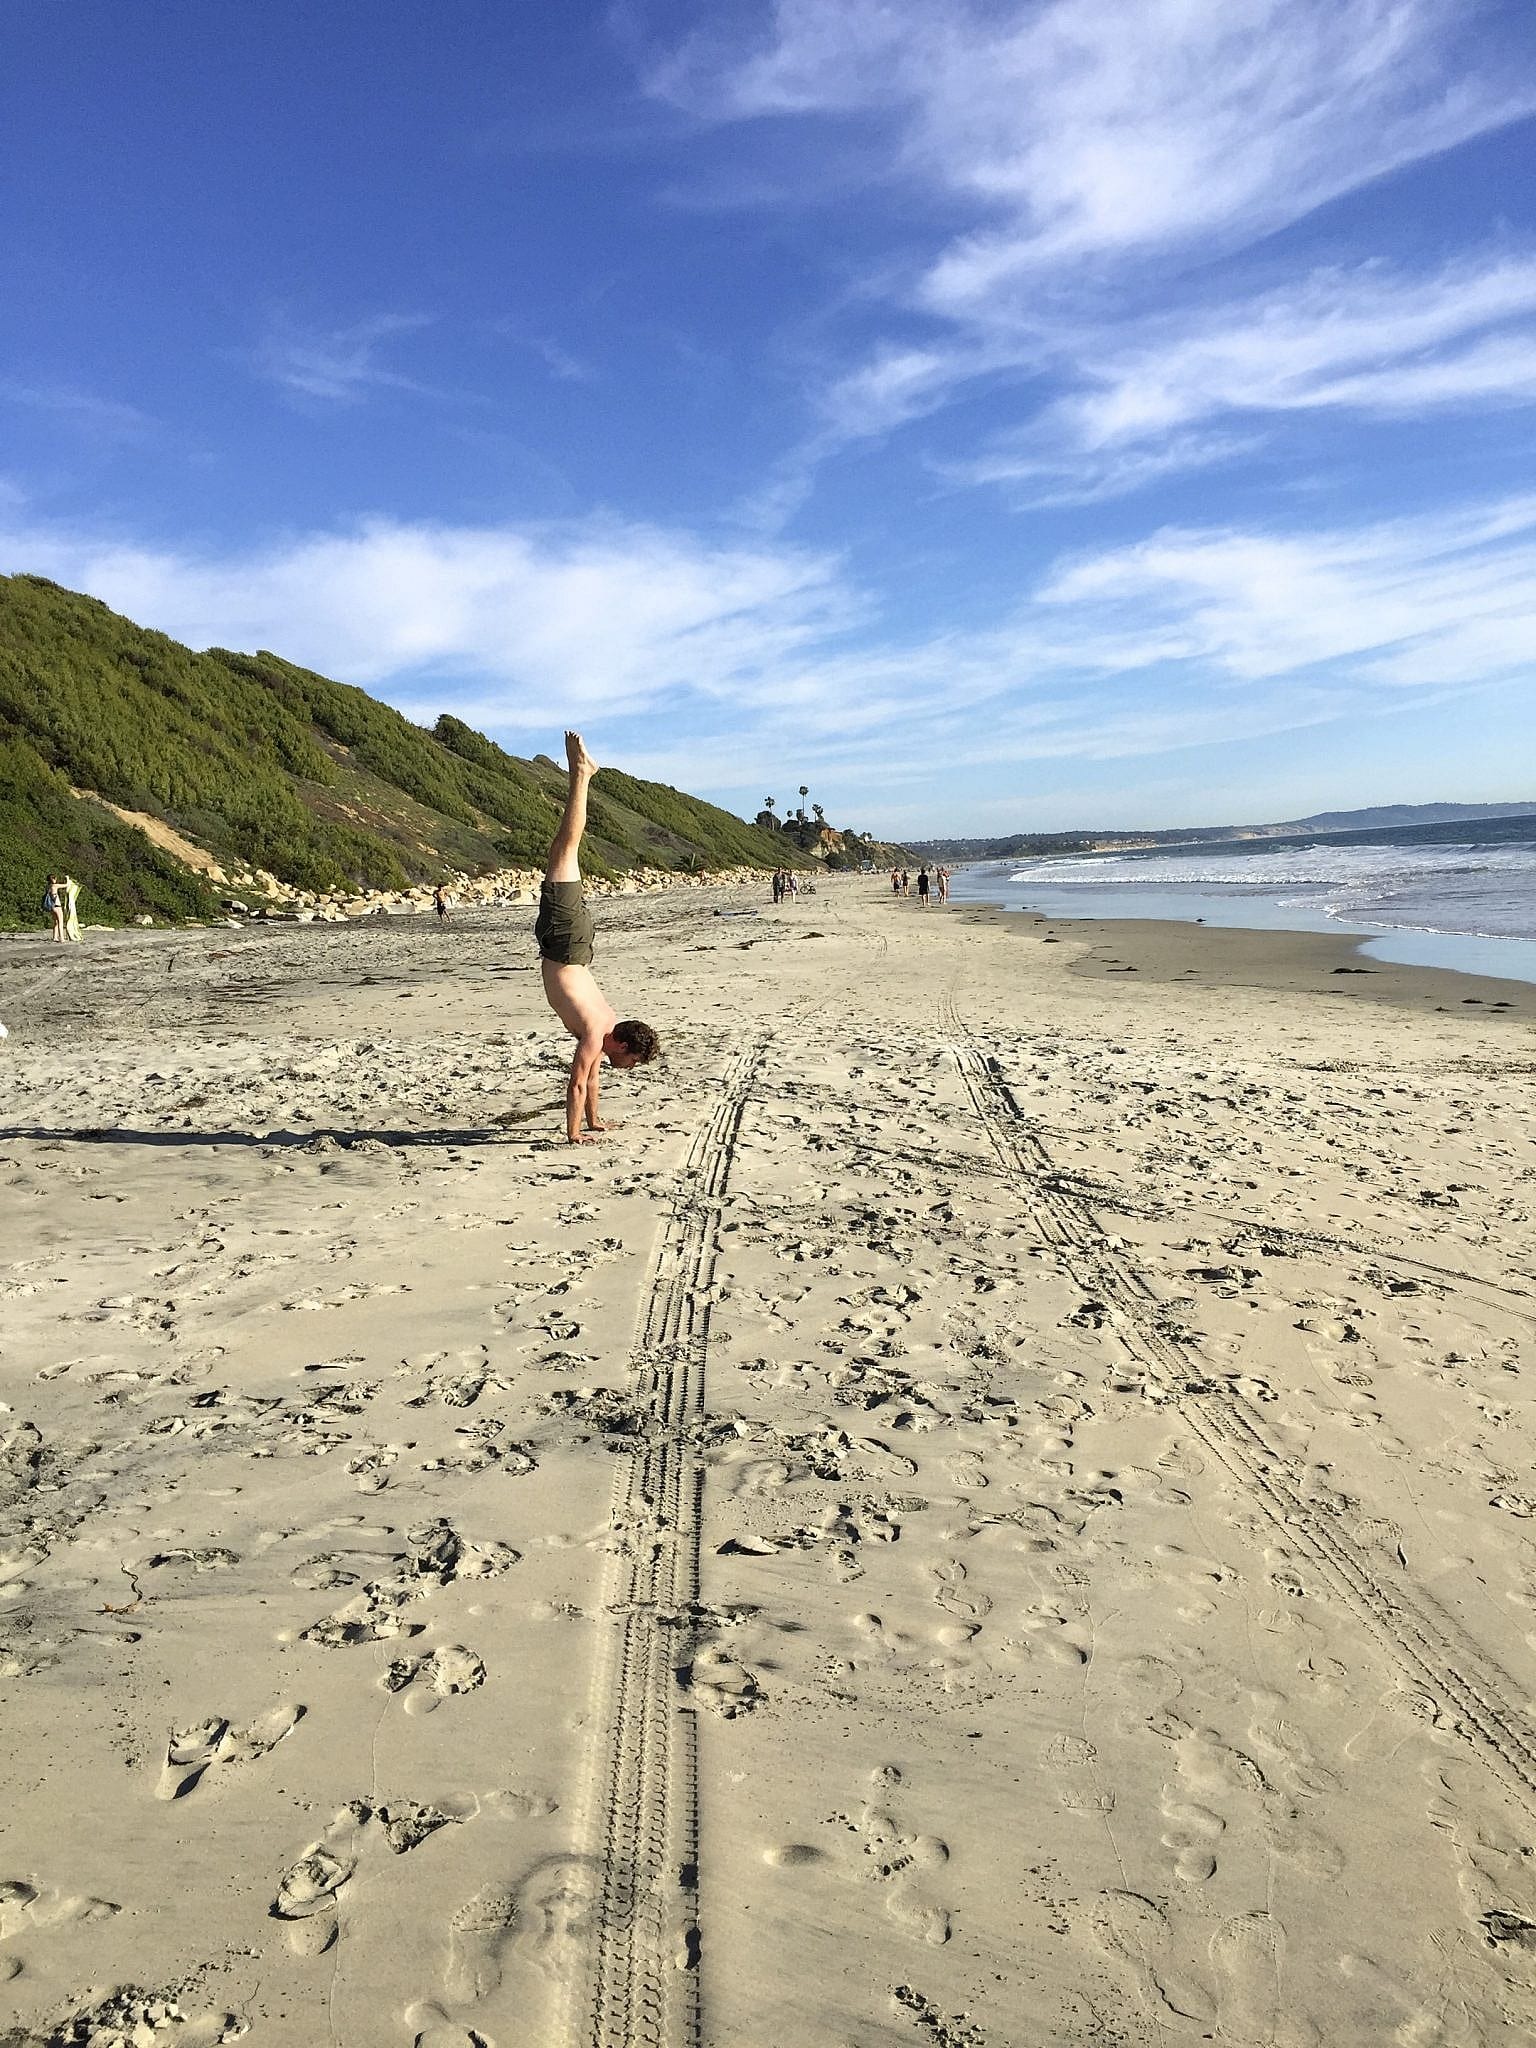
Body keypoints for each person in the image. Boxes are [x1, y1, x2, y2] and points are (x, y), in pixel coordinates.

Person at [536, 732, 660, 1144]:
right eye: (633, 1060)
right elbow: (574, 1084)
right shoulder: (595, 1029)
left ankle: (582, 775)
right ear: (621, 1043)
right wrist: (573, 1137)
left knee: (564, 851)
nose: (632, 1067)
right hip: (566, 944)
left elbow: (590, 1080)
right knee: (564, 849)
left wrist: (594, 1122)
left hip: (575, 946)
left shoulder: (605, 1027)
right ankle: (582, 775)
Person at [43, 875, 64, 942]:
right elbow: (66, 885)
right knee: (60, 922)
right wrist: (68, 878)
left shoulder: (48, 887)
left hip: (51, 907)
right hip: (57, 906)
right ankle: (62, 938)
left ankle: (55, 937)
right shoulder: (55, 886)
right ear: (53, 879)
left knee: (55, 922)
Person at [63, 875, 82, 941]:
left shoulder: (73, 886)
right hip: (70, 904)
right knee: (70, 920)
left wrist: (67, 879)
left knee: (70, 920)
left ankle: (71, 935)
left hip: (71, 905)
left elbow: (68, 893)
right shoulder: (74, 886)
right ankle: (71, 935)